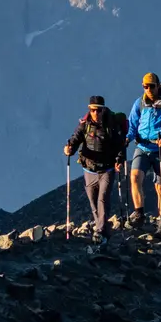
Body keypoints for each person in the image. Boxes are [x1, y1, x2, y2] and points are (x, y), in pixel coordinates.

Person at [64, 95, 125, 241]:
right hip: (89, 169)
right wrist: (69, 149)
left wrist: (119, 160)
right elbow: (75, 139)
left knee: (102, 199)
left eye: (98, 110)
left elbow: (119, 145)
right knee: (93, 202)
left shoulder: (111, 126)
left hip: (107, 169)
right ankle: (103, 230)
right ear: (89, 110)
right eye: (93, 110)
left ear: (103, 110)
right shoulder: (85, 125)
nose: (96, 114)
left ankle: (100, 231)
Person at [125, 73, 161, 228]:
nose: (148, 89)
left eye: (151, 86)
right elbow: (132, 125)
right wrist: (128, 138)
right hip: (142, 146)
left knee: (160, 187)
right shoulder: (140, 103)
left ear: (158, 86)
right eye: (145, 86)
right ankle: (139, 213)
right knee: (135, 177)